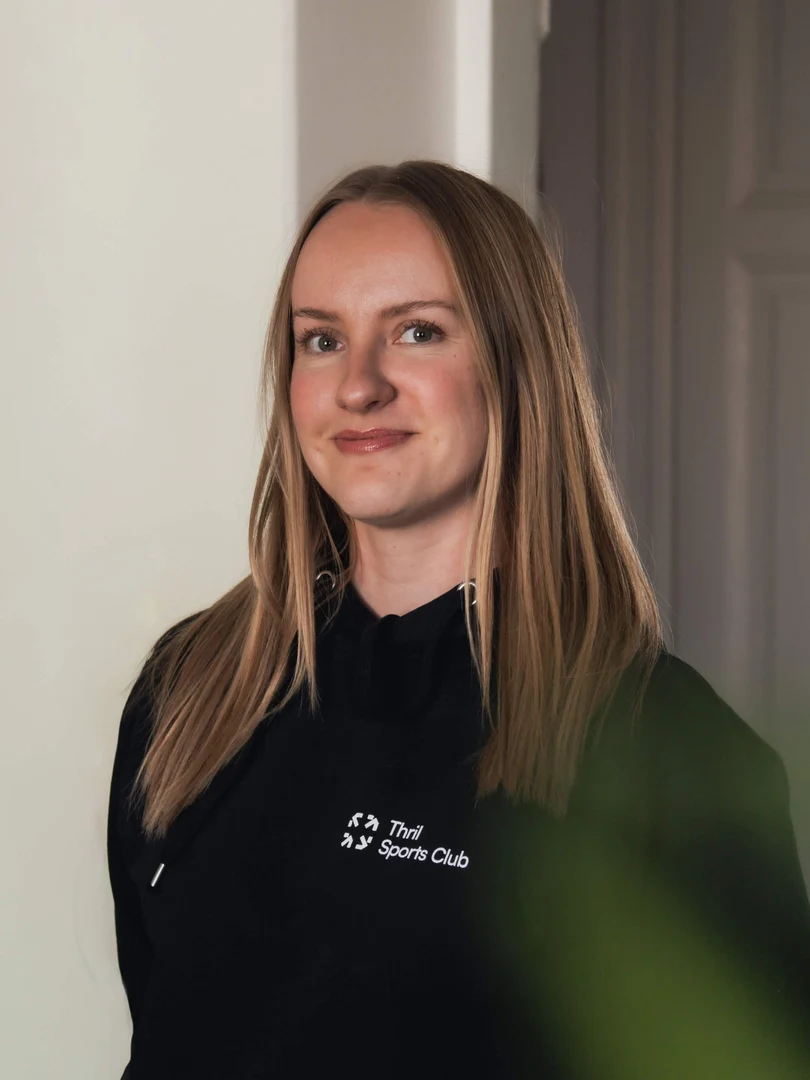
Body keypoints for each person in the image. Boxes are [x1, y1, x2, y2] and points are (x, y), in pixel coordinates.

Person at [107, 160, 810, 1079]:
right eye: (321, 340)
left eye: (417, 331)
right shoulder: (190, 689)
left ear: (517, 367)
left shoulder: (668, 752)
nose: (358, 385)